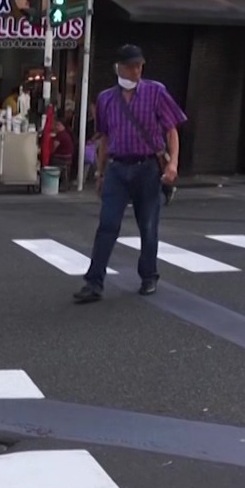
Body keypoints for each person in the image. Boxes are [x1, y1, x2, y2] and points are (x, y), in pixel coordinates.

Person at [74, 44, 187, 304]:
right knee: (107, 224)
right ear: (119, 68)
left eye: (139, 65)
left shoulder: (155, 92)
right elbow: (104, 138)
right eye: (131, 66)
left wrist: (172, 165)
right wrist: (101, 173)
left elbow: (171, 130)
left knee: (148, 226)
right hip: (117, 167)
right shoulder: (106, 99)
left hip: (148, 167)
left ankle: (149, 276)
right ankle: (94, 282)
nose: (136, 70)